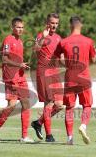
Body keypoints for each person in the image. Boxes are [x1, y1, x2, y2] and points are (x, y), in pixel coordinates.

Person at [0, 17, 34, 143]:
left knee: (26, 103)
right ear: (12, 27)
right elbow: (4, 59)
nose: (20, 29)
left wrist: (22, 64)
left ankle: (24, 136)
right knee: (12, 106)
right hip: (11, 78)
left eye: (22, 27)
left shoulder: (20, 41)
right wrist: (19, 65)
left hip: (20, 77)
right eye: (18, 27)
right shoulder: (8, 40)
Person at [55, 16, 96, 145]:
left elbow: (57, 59)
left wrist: (66, 63)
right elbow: (94, 58)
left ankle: (69, 138)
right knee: (87, 105)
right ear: (81, 25)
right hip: (84, 77)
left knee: (69, 108)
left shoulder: (63, 42)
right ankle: (83, 126)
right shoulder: (88, 41)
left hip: (70, 77)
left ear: (70, 26)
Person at [31, 13, 64, 142]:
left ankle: (38, 122)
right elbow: (35, 49)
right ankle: (49, 135)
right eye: (52, 23)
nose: (54, 25)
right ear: (47, 23)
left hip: (54, 72)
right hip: (44, 72)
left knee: (60, 105)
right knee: (49, 103)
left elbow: (61, 58)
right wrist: (41, 39)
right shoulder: (41, 35)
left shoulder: (58, 38)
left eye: (56, 23)